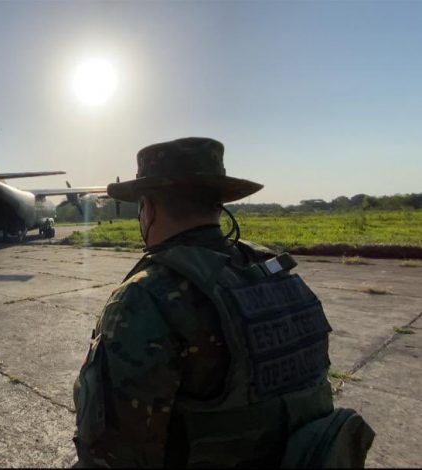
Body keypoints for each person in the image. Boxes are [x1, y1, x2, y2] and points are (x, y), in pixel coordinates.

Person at [72, 137, 374, 468]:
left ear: (149, 208)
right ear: (218, 205)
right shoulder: (276, 272)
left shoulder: (146, 296)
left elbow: (109, 452)